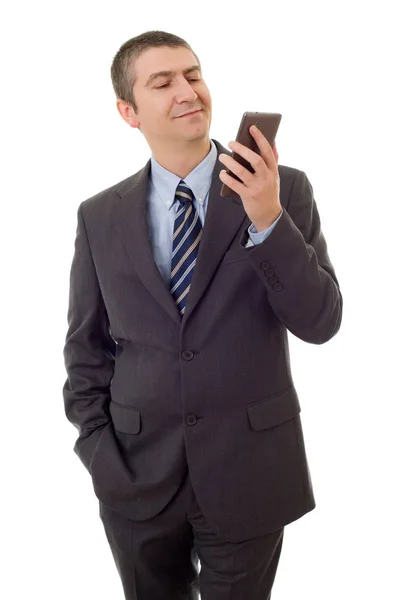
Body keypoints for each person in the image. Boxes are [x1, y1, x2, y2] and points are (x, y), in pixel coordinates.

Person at [62, 29, 343, 600]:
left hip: (249, 470)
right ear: (128, 111)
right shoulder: (100, 216)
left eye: (192, 74)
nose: (187, 90)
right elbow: (85, 347)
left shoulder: (283, 189)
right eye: (162, 82)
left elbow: (320, 321)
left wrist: (267, 220)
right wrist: (98, 451)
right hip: (136, 477)